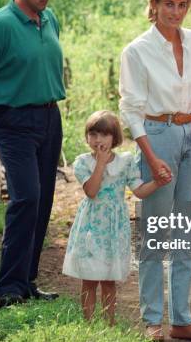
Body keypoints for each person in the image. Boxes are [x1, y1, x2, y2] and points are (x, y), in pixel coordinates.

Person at [119, 0, 191, 342]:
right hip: (157, 136)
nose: (176, 12)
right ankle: (152, 320)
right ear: (154, 5)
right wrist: (150, 155)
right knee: (155, 233)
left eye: (183, 5)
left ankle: (181, 319)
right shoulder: (137, 51)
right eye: (169, 4)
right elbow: (130, 109)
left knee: (185, 231)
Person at [0, 0, 65, 308]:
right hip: (13, 120)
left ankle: (26, 281)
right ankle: (8, 288)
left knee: (42, 200)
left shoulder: (50, 19)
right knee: (26, 196)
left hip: (49, 117)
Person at [63, 110, 164, 325]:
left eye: (104, 134)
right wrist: (100, 164)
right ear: (87, 137)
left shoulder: (125, 162)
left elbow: (138, 190)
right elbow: (91, 191)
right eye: (93, 134)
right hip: (92, 224)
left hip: (114, 226)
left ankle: (110, 323)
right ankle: (89, 323)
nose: (98, 140)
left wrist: (157, 183)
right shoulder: (82, 162)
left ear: (114, 137)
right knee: (89, 278)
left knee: (109, 279)